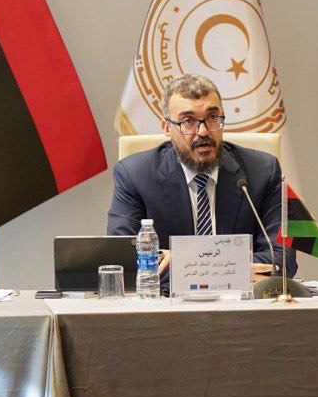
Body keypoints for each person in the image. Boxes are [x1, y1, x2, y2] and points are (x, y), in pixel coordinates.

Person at [107, 74, 296, 282]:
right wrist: (233, 268)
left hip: (241, 308)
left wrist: (182, 263)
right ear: (167, 129)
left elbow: (281, 258)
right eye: (188, 121)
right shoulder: (135, 175)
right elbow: (126, 263)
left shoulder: (262, 171)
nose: (203, 131)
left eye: (213, 117)